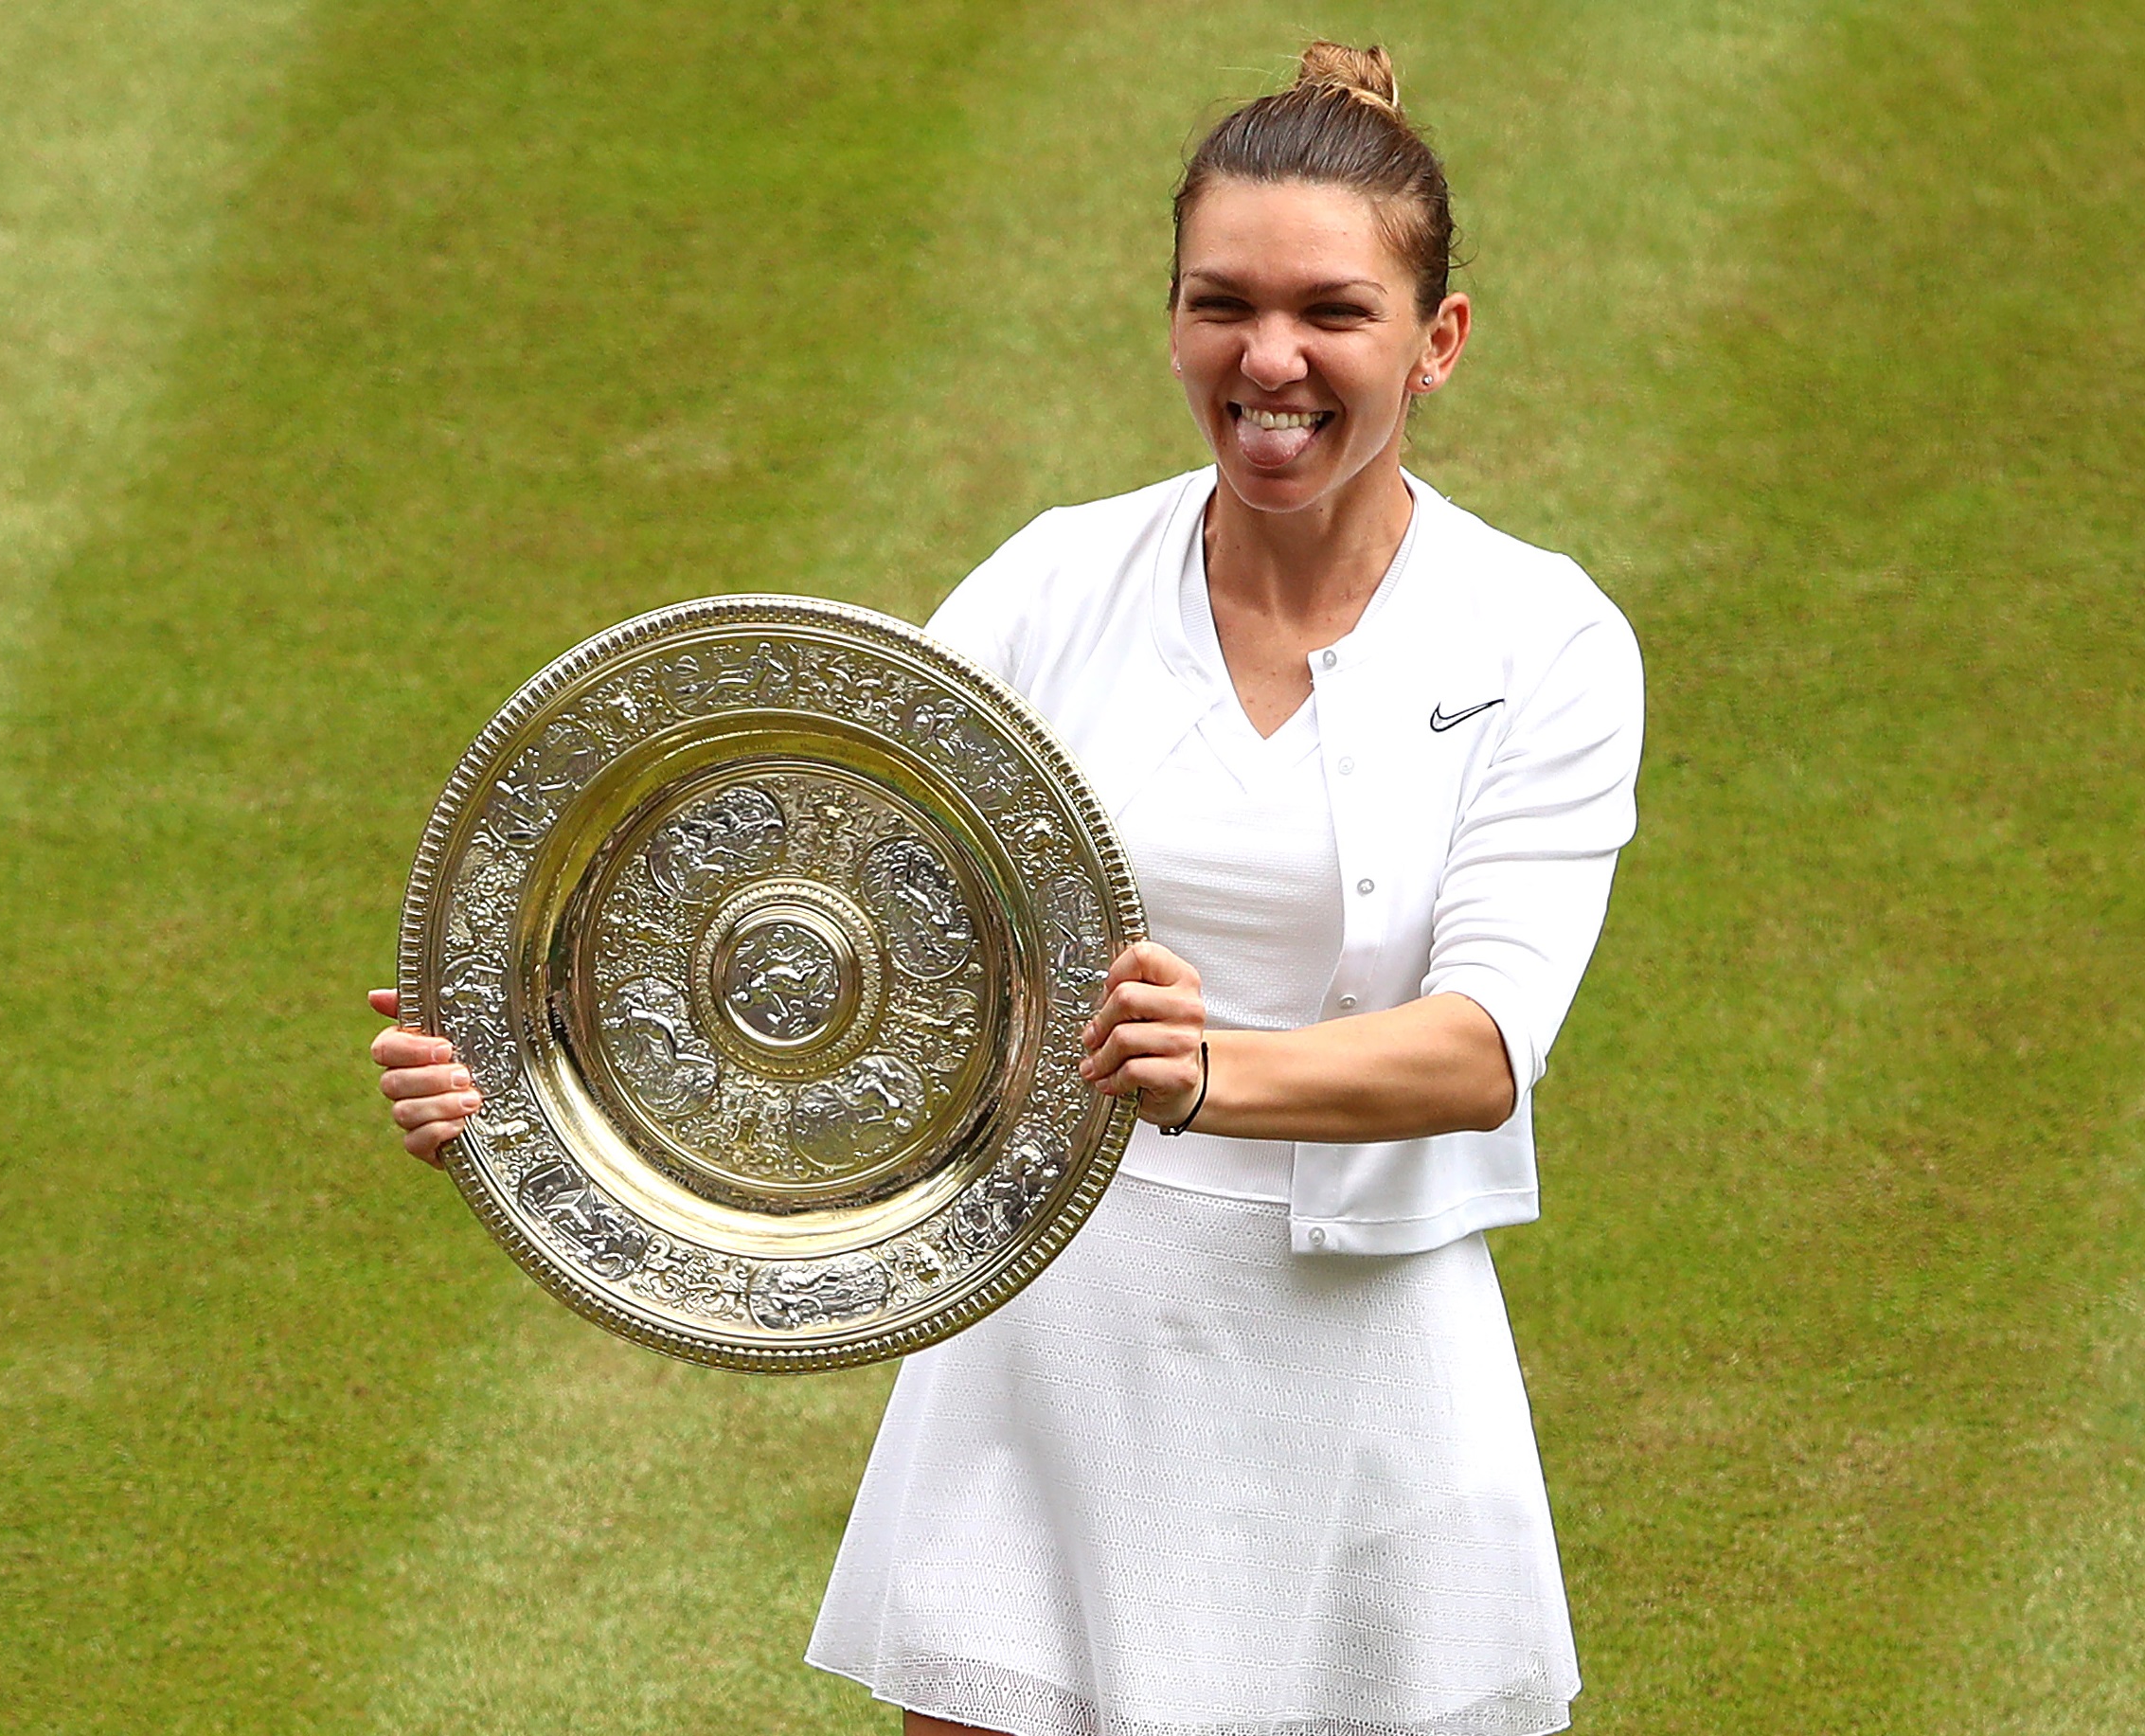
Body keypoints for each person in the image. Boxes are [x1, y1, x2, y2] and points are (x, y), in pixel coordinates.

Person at [372, 41, 1641, 1736]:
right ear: (1176, 317)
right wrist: (520, 1083)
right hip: (1050, 1341)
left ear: (1439, 341)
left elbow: (1487, 1042)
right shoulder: (1053, 585)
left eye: (1334, 311)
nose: (1271, 358)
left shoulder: (1543, 639)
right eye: (1223, 303)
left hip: (1368, 1375)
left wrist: (1206, 1074)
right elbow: (816, 905)